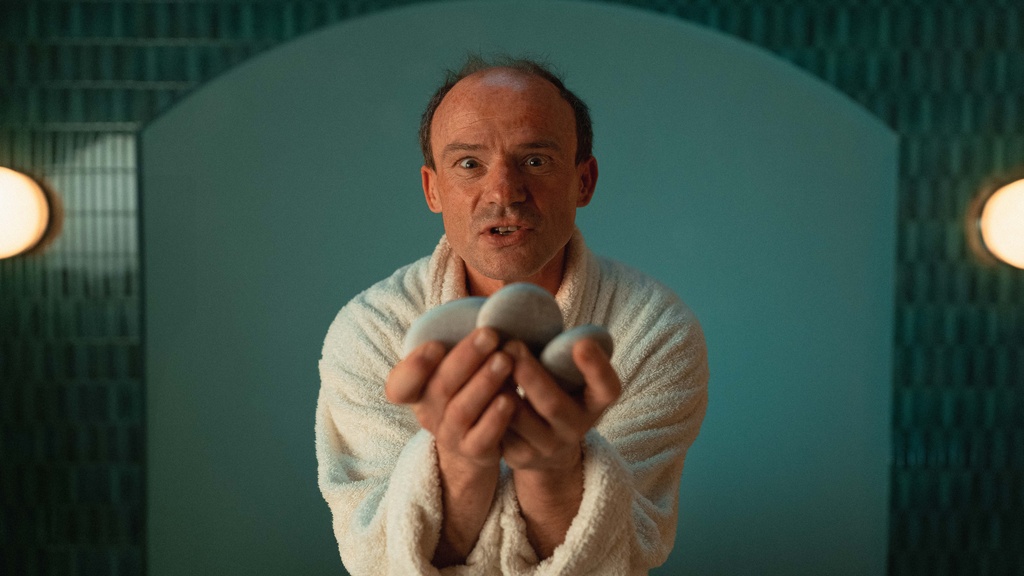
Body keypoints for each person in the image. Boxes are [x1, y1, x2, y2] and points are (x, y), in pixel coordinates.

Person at [315, 55, 709, 575]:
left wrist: (554, 471)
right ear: (432, 189)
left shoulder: (654, 332)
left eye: (536, 160)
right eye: (469, 164)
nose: (504, 192)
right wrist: (457, 464)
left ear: (584, 181)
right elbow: (377, 559)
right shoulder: (369, 332)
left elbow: (627, 555)